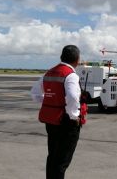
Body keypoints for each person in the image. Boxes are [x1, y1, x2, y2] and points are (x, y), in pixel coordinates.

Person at [31, 45, 82, 179]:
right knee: (62, 161)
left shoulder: (48, 73)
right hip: (66, 122)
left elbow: (35, 93)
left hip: (51, 120)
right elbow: (72, 97)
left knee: (53, 156)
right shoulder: (71, 75)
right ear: (77, 59)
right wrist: (74, 115)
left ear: (61, 57)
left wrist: (50, 103)